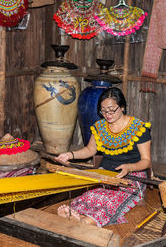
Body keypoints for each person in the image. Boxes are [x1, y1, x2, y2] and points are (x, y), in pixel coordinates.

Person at [55, 87, 152, 227]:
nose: (107, 114)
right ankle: (75, 214)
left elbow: (146, 161)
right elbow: (90, 150)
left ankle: (87, 221)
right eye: (103, 110)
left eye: (112, 109)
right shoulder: (100, 127)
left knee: (109, 199)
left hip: (131, 177)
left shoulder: (139, 128)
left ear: (123, 107)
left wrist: (129, 167)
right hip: (104, 173)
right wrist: (69, 155)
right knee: (92, 196)